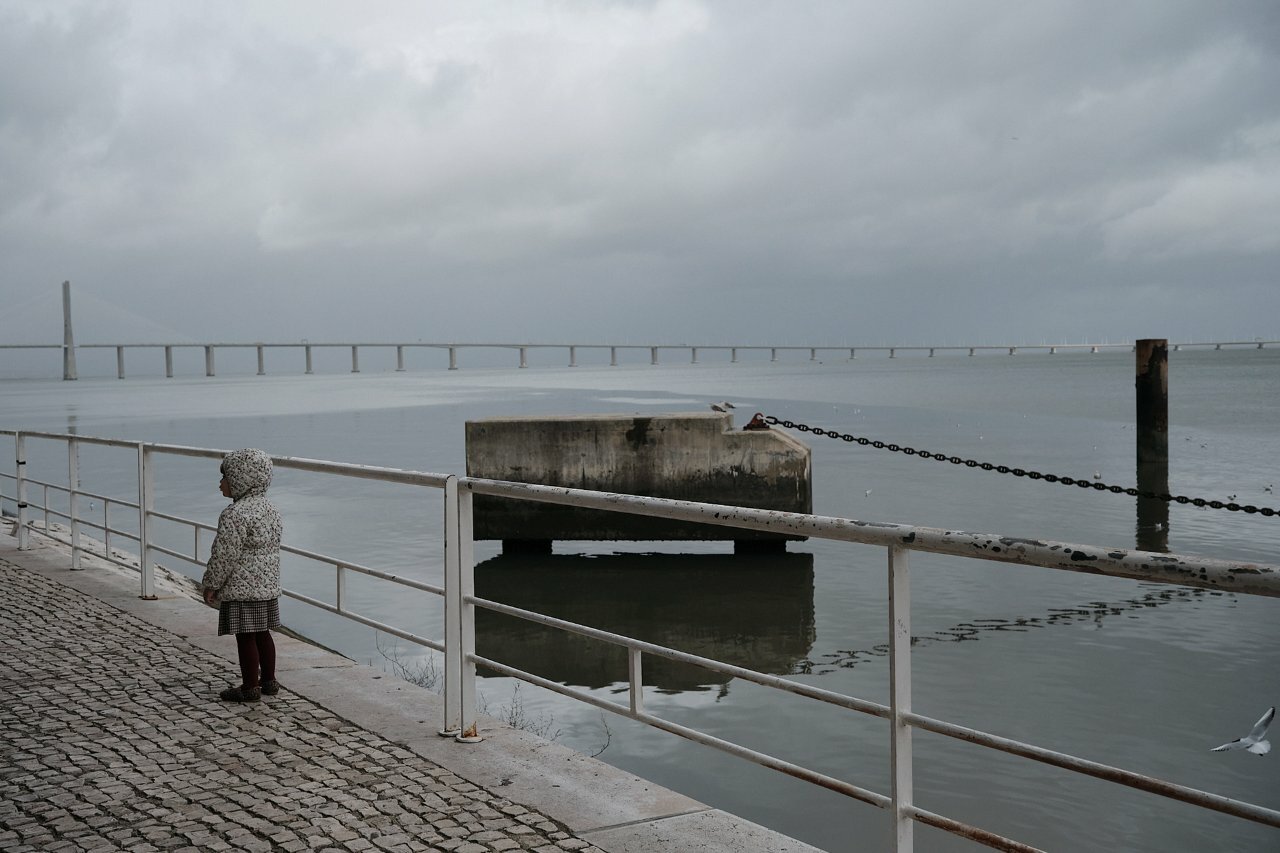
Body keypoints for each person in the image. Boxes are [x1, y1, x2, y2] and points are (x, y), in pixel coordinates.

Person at [201, 448, 283, 702]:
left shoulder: (234, 514)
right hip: (266, 587)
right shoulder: (271, 509)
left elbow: (224, 555)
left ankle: (249, 687)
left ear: (240, 480)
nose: (220, 483)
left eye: (224, 477)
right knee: (263, 633)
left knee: (245, 636)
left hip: (241, 589)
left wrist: (212, 583)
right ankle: (269, 681)